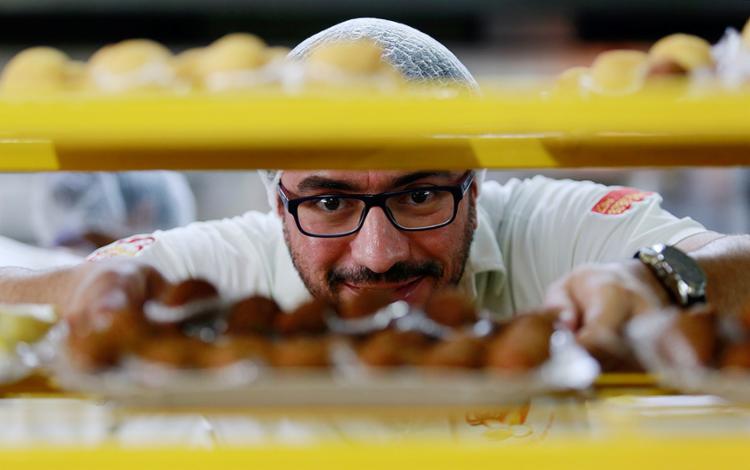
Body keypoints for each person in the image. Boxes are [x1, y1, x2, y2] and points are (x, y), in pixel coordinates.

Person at [0, 18, 747, 368]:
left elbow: (729, 256)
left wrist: (658, 278)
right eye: (328, 203)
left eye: (421, 196)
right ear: (274, 200)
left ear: (478, 184)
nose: (379, 254)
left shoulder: (552, 230)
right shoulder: (223, 265)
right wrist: (92, 280)